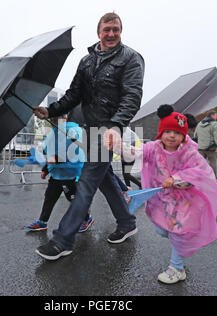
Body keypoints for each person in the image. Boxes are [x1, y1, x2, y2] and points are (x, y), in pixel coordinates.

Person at [33, 12, 145, 260]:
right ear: (99, 32)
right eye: (107, 29)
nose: (111, 33)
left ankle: (64, 239)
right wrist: (49, 110)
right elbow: (74, 95)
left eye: (115, 29)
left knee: (86, 182)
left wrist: (116, 126)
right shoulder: (86, 61)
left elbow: (132, 96)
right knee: (104, 179)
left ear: (120, 31)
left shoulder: (131, 58)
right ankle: (126, 222)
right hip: (88, 129)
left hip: (108, 130)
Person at [104, 105, 217, 284]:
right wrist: (118, 145)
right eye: (167, 131)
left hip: (185, 202)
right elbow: (135, 152)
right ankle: (180, 250)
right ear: (161, 132)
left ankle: (176, 268)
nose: (172, 135)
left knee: (177, 233)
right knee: (163, 230)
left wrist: (176, 178)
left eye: (176, 132)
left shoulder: (190, 153)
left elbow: (201, 172)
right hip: (163, 201)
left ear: (184, 135)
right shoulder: (153, 148)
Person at [24, 115, 94, 233]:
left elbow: (70, 152)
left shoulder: (73, 131)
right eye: (52, 119)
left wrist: (50, 160)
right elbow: (50, 150)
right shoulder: (54, 133)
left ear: (65, 117)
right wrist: (45, 170)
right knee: (50, 197)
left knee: (73, 198)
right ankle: (42, 222)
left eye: (56, 118)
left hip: (70, 175)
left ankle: (87, 218)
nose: (53, 121)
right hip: (56, 173)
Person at [194, 110, 217, 181]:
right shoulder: (215, 124)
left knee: (200, 163)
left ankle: (199, 176)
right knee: (212, 162)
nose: (216, 117)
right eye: (216, 115)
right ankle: (212, 177)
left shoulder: (199, 123)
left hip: (200, 147)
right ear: (212, 116)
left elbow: (195, 135)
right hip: (210, 148)